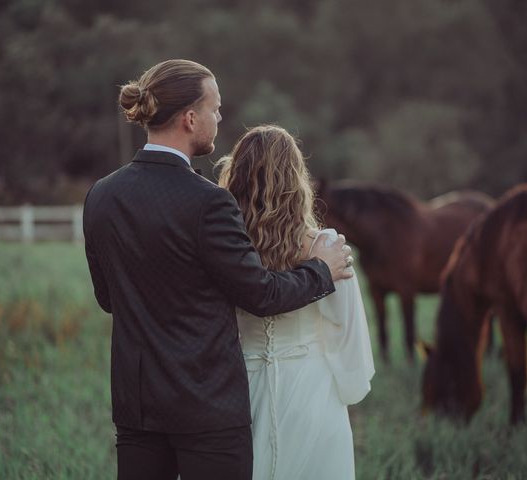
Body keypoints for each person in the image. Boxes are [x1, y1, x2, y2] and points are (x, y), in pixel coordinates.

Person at [83, 59, 354, 480]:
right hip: (206, 408)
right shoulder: (209, 202)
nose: (220, 118)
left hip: (137, 404)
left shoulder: (101, 195)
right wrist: (320, 269)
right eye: (215, 108)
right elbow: (261, 295)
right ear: (191, 119)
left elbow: (108, 298)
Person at [218, 125, 375, 480]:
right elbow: (348, 331)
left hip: (241, 389)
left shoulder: (224, 248)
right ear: (296, 179)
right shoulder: (326, 247)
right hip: (312, 392)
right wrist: (347, 386)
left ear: (235, 179)